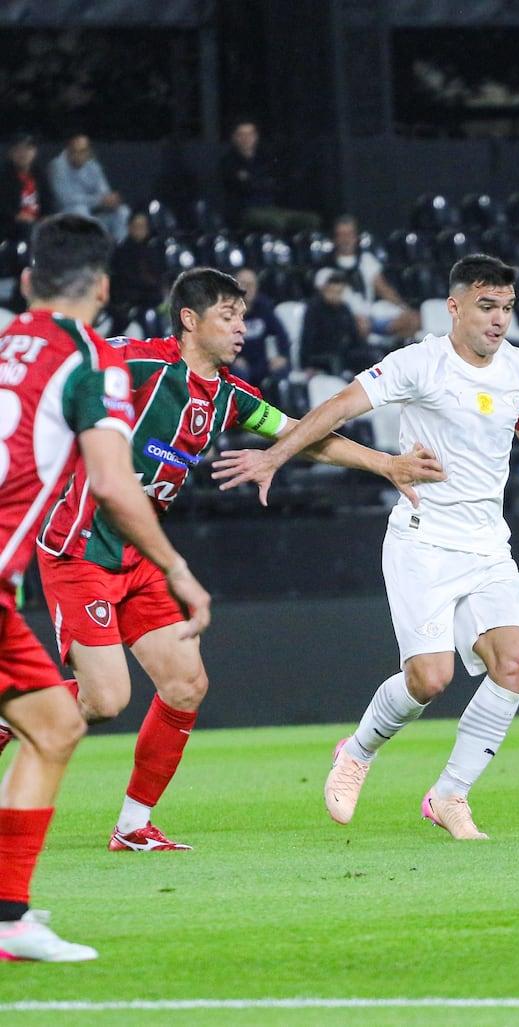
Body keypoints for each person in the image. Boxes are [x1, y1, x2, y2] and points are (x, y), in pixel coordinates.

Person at [212, 254, 519, 840]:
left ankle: (449, 795)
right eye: (487, 307)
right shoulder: (418, 364)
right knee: (429, 680)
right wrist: (274, 455)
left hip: (488, 545)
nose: (499, 321)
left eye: (507, 309)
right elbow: (338, 407)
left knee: (515, 662)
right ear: (454, 307)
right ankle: (358, 751)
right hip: (424, 541)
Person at [35, 267, 444, 853]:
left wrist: (387, 464)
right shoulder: (135, 364)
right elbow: (55, 372)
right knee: (104, 701)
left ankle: (132, 826)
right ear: (190, 320)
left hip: (143, 552)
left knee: (185, 684)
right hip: (81, 544)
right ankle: (14, 709)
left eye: (244, 317)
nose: (242, 329)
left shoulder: (227, 396)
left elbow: (305, 435)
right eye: (229, 316)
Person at [0, 214, 210, 961]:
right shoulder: (92, 361)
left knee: (58, 723)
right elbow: (116, 484)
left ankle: (10, 918)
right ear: (103, 286)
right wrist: (178, 568)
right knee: (70, 717)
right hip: (46, 565)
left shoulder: (4, 343)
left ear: (27, 282)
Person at [320, 215, 422, 341]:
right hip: (348, 321)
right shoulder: (326, 269)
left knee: (414, 319)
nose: (346, 240)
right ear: (335, 238)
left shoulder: (366, 260)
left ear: (356, 237)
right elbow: (332, 302)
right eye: (342, 235)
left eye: (349, 234)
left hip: (372, 314)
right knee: (360, 325)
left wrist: (403, 307)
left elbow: (383, 289)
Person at [219, 119, 320, 235]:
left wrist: (255, 181)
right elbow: (243, 187)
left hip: (272, 207)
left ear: (256, 136)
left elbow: (277, 183)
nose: (246, 138)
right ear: (235, 137)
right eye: (242, 135)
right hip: (245, 211)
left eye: (250, 134)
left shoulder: (265, 159)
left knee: (311, 219)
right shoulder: (229, 162)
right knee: (276, 222)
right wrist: (260, 183)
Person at [48, 134, 130, 242]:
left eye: (83, 151)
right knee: (80, 210)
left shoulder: (93, 165)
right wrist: (99, 200)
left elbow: (104, 192)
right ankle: (86, 254)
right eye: (75, 151)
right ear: (68, 150)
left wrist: (110, 200)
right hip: (66, 219)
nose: (79, 155)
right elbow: (66, 200)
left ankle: (118, 252)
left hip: (94, 215)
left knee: (123, 212)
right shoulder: (57, 167)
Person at [232, 267, 291, 396]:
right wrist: (233, 359)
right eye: (244, 284)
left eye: (252, 285)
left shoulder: (264, 307)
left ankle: (282, 412)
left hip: (262, 361)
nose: (249, 288)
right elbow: (218, 341)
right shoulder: (227, 310)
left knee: (281, 370)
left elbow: (281, 335)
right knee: (239, 374)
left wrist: (282, 356)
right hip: (236, 362)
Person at [108, 211, 165, 335]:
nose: (140, 230)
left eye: (143, 227)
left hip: (152, 301)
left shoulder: (153, 250)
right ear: (129, 227)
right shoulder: (121, 252)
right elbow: (124, 283)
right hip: (129, 307)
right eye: (136, 226)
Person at [301, 270, 365, 375]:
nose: (335, 296)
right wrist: (307, 365)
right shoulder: (314, 309)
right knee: (336, 360)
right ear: (325, 290)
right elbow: (307, 340)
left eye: (339, 293)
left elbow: (354, 337)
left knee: (370, 355)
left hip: (343, 352)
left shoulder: (344, 309)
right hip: (321, 355)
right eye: (332, 292)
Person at [0, 133, 52, 241]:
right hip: (13, 226)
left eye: (28, 149)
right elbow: (3, 206)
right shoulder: (4, 177)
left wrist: (47, 217)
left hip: (38, 222)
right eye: (19, 149)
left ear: (34, 152)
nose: (23, 154)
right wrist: (16, 215)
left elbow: (49, 201)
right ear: (11, 153)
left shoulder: (40, 175)